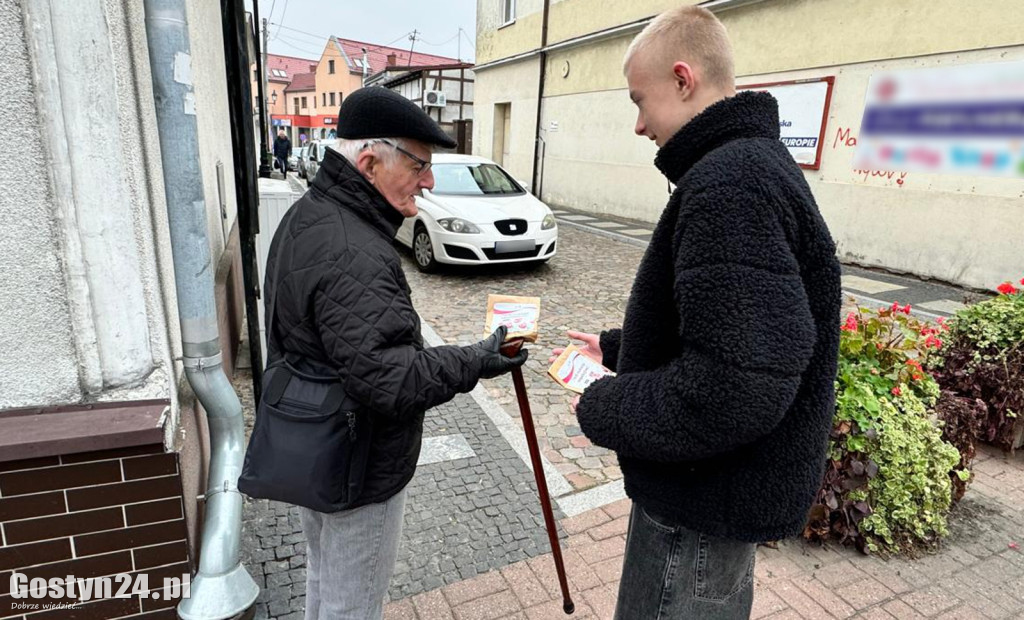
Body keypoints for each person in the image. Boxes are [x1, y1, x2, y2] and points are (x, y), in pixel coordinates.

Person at [553, 6, 841, 619]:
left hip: (700, 506)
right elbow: (735, 326)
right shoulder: (749, 168)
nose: (638, 125)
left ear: (683, 80)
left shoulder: (728, 185)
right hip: (715, 495)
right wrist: (622, 347)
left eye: (640, 101)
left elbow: (736, 387)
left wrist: (607, 403)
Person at [263, 87, 528, 619]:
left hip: (314, 448)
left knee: (323, 580)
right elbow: (392, 381)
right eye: (420, 166)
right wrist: (476, 358)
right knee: (350, 606)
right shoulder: (354, 250)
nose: (429, 181)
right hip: (357, 463)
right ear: (368, 162)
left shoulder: (308, 215)